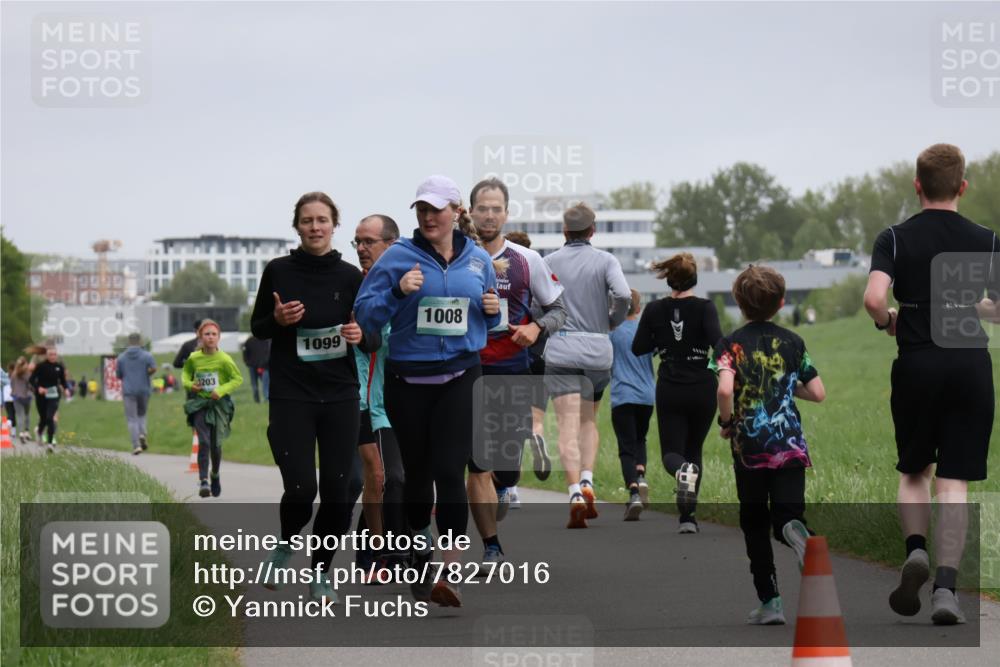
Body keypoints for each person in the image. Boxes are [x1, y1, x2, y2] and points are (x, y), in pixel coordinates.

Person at [863, 143, 999, 625]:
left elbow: (875, 298)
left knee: (915, 470)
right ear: (962, 187)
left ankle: (915, 549)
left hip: (918, 363)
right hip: (969, 366)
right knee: (955, 482)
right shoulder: (987, 239)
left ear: (917, 186)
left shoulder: (894, 238)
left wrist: (889, 323)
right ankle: (945, 589)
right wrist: (978, 308)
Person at [355, 174, 501, 607]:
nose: (428, 216)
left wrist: (492, 313)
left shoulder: (477, 259)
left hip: (461, 376)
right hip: (408, 382)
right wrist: (398, 293)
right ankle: (420, 548)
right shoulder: (398, 257)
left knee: (451, 471)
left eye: (436, 208)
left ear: (457, 212)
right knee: (418, 478)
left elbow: (487, 317)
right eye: (421, 208)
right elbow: (365, 315)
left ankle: (450, 570)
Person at [251, 191, 372, 604]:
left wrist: (359, 335)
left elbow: (369, 336)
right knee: (302, 488)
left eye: (322, 220)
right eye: (307, 220)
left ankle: (321, 571)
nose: (315, 227)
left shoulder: (350, 277)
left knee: (339, 491)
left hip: (339, 395)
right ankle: (286, 542)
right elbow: (259, 328)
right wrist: (279, 320)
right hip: (292, 395)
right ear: (297, 226)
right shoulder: (278, 271)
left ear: (334, 224)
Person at [710, 265, 826, 625]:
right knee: (789, 514)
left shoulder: (729, 344)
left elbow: (725, 388)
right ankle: (795, 531)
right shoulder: (794, 342)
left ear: (740, 303)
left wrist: (727, 422)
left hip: (750, 448)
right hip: (790, 444)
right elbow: (818, 392)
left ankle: (770, 601)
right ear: (781, 302)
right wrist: (785, 387)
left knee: (755, 522)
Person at [467, 178, 566, 569]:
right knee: (478, 460)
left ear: (506, 214)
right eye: (482, 208)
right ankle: (491, 546)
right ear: (471, 212)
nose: (489, 215)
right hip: (466, 369)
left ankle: (505, 487)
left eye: (496, 209)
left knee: (506, 466)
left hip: (512, 370)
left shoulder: (528, 260)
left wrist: (536, 329)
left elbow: (560, 309)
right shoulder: (457, 258)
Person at [542, 202, 630, 528]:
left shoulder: (548, 262)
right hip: (596, 349)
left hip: (562, 349)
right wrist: (611, 321)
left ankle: (574, 493)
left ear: (564, 231)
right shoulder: (606, 260)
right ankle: (589, 480)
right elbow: (622, 294)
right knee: (588, 421)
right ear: (592, 230)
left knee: (565, 425)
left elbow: (539, 305)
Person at [632, 253, 722, 533]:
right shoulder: (706, 308)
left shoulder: (654, 310)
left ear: (669, 280)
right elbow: (718, 343)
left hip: (670, 386)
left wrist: (662, 342)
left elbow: (638, 347)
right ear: (695, 279)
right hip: (703, 387)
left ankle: (682, 475)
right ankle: (688, 519)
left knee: (673, 452)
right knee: (694, 450)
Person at [351, 213, 408, 575]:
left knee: (394, 478)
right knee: (377, 478)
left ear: (391, 245)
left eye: (368, 242)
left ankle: (382, 551)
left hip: (399, 400)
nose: (360, 249)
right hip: (356, 401)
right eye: (356, 242)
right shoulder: (351, 288)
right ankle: (379, 552)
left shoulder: (408, 288)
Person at [182, 320, 242, 497]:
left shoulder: (224, 359)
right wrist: (191, 385)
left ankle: (214, 474)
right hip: (200, 404)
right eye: (207, 334)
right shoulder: (194, 358)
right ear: (200, 337)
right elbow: (185, 375)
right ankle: (203, 481)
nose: (210, 337)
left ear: (219, 337)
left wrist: (221, 390)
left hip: (219, 406)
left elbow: (237, 379)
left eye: (214, 334)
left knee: (216, 445)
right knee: (204, 441)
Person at [610, 289, 655, 521]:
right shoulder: (647, 333)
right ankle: (642, 475)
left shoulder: (613, 333)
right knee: (640, 439)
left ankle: (634, 492)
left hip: (622, 396)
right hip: (647, 397)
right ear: (638, 309)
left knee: (626, 446)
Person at [116, 332, 157, 455]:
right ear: (140, 342)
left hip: (129, 391)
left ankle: (136, 445)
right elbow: (154, 368)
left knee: (132, 419)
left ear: (129, 342)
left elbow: (119, 375)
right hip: (144, 389)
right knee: (142, 415)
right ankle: (142, 433)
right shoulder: (147, 356)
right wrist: (147, 373)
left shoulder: (121, 358)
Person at [28, 345, 68, 452]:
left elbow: (63, 381)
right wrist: (39, 388)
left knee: (50, 418)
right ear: (47, 355)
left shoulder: (59, 367)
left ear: (57, 355)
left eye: (54, 354)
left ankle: (50, 443)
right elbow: (31, 380)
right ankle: (39, 432)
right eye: (51, 354)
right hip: (41, 396)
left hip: (54, 395)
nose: (53, 356)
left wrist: (66, 389)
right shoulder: (40, 366)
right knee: (43, 418)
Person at [241, 335, 271, 403]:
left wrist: (247, 362)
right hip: (258, 366)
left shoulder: (266, 340)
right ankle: (260, 400)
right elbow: (245, 352)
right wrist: (247, 362)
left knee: (259, 384)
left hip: (262, 366)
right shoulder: (266, 340)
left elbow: (245, 352)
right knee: (262, 384)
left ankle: (261, 400)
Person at [10, 357, 33, 443]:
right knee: (27, 414)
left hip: (16, 397)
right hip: (27, 397)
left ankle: (21, 433)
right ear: (25, 364)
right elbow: (31, 385)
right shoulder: (28, 374)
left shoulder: (14, 374)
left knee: (19, 415)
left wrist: (14, 392)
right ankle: (27, 431)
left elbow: (12, 385)